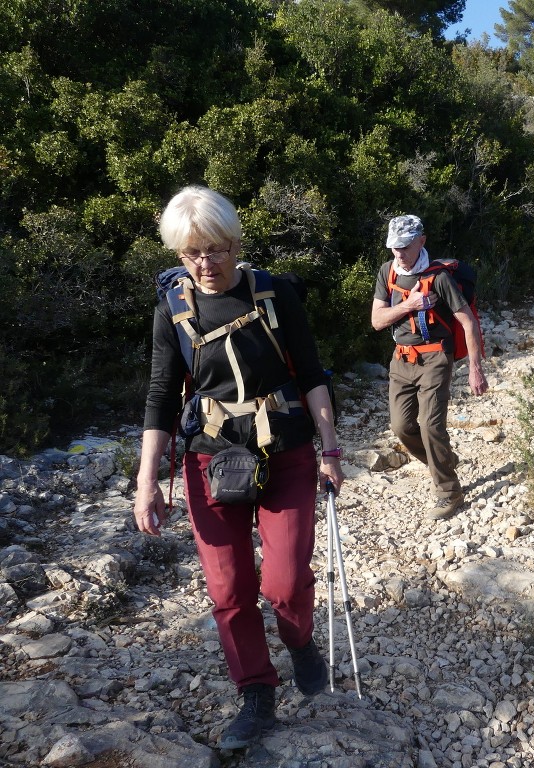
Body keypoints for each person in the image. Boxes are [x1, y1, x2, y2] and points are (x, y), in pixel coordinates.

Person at [133, 185, 344, 750]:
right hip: (210, 458)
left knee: (284, 582)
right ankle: (256, 693)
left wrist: (330, 448)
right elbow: (159, 395)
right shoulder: (172, 310)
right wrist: (146, 480)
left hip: (288, 451)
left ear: (235, 242)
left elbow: (313, 373)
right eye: (191, 252)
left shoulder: (274, 295)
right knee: (228, 589)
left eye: (216, 249)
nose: (205, 263)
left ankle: (299, 640)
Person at [370, 214, 488, 520]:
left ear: (421, 241)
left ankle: (449, 491)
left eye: (405, 247)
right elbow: (377, 321)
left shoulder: (439, 278)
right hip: (401, 357)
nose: (399, 254)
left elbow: (468, 322)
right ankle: (444, 459)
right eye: (394, 247)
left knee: (433, 426)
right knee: (401, 427)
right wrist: (410, 305)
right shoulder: (387, 272)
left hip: (435, 356)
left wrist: (476, 368)